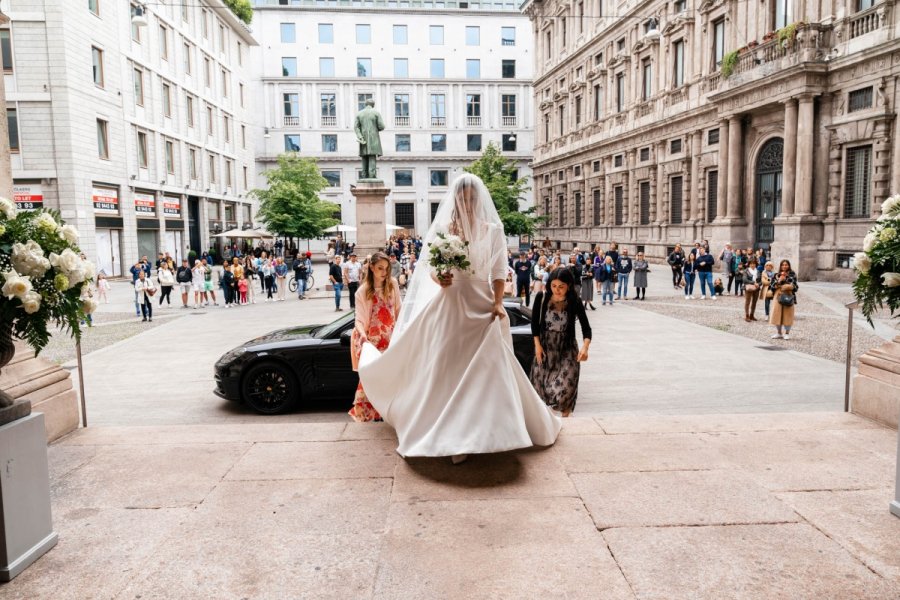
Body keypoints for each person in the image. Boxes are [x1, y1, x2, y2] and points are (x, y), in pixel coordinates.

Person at [357, 173, 561, 462]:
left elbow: (499, 271)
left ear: (478, 201)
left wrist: (499, 302)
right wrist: (438, 276)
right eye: (462, 199)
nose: (466, 203)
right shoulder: (446, 230)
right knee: (447, 369)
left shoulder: (493, 230)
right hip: (450, 304)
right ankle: (453, 437)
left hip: (481, 304)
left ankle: (490, 431)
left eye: (471, 199)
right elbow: (430, 266)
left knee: (488, 370)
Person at [531, 269, 591, 417]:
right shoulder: (542, 297)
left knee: (566, 390)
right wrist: (537, 346)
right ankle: (548, 425)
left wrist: (585, 347)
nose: (556, 290)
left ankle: (565, 421)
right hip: (546, 349)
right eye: (554, 286)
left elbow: (586, 328)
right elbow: (534, 324)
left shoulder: (574, 301)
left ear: (569, 286)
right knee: (540, 389)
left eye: (561, 286)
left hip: (567, 350)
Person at [349, 252, 402, 422]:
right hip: (374, 341)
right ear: (371, 268)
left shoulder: (392, 284)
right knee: (374, 380)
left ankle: (391, 414)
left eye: (386, 269)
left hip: (392, 339)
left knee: (392, 379)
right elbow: (359, 319)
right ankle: (376, 416)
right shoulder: (362, 291)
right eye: (380, 268)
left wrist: (402, 332)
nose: (384, 272)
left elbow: (399, 311)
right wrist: (363, 336)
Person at [769, 259, 798, 340]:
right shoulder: (776, 275)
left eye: (786, 265)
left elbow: (795, 287)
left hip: (788, 295)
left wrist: (787, 283)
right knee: (777, 314)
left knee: (788, 315)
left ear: (789, 266)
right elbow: (771, 287)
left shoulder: (792, 274)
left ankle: (787, 333)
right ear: (780, 266)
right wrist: (779, 280)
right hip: (778, 295)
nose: (784, 266)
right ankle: (779, 333)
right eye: (783, 265)